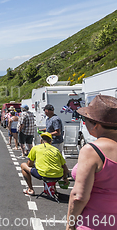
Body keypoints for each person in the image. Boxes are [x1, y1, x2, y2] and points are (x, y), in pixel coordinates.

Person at [66, 95, 117, 230]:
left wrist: (70, 225)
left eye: (85, 119)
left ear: (96, 124)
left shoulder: (92, 151)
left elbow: (79, 197)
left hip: (95, 222)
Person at [21, 132, 70, 196]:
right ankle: (53, 188)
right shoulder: (56, 150)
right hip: (58, 176)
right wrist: (65, 178)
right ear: (51, 142)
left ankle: (30, 189)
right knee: (52, 168)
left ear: (41, 141)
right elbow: (64, 166)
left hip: (43, 174)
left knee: (23, 165)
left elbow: (29, 164)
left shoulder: (36, 148)